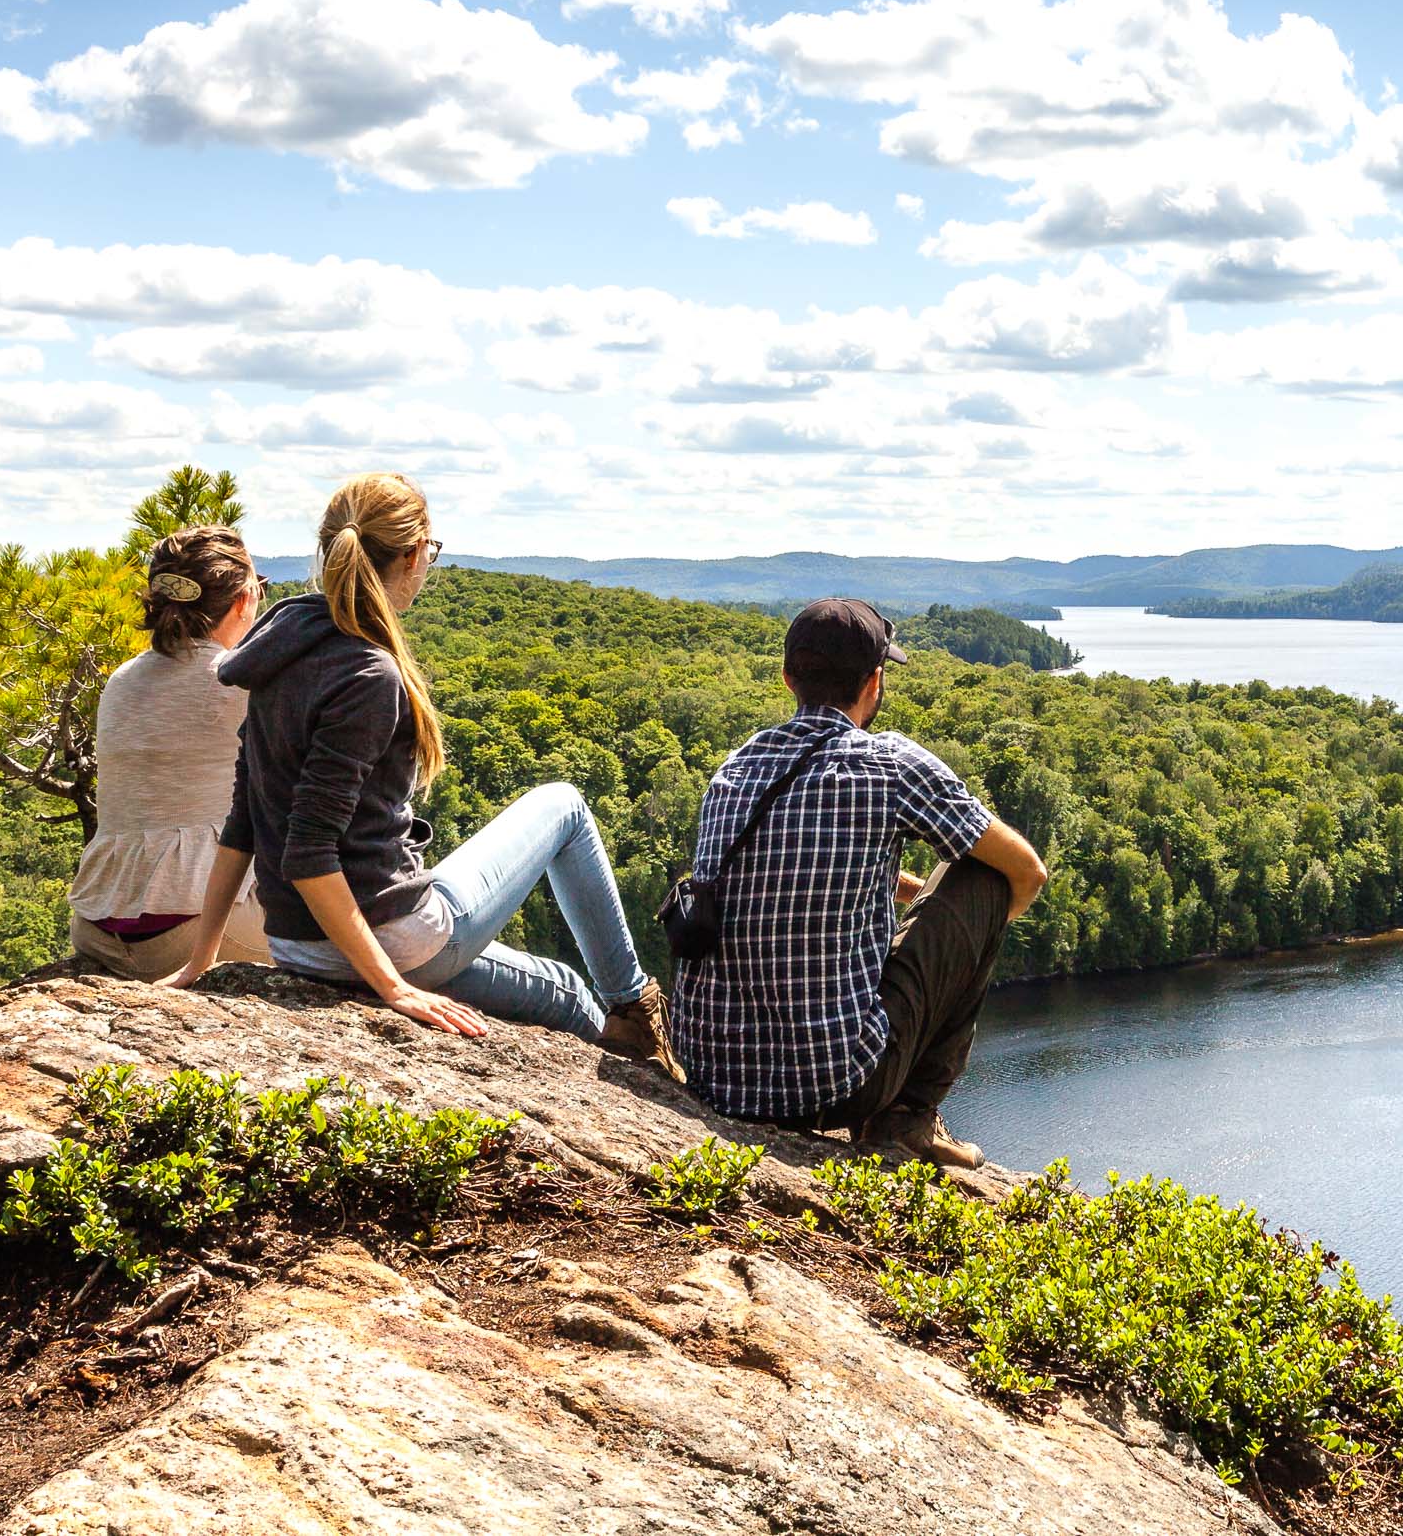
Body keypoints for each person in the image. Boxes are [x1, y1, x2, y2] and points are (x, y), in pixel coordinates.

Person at [163, 471, 675, 1076]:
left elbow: (245, 819)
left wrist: (201, 958)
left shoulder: (280, 650)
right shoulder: (368, 672)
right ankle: (635, 1013)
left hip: (296, 946)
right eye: (429, 552)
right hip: (392, 940)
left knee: (558, 980)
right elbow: (308, 851)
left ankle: (628, 1024)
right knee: (564, 811)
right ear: (411, 556)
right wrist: (393, 989)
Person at [671, 597, 1048, 1168]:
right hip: (835, 1088)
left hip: (713, 1078)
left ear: (788, 676)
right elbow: (1027, 872)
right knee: (984, 875)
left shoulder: (736, 766)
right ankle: (907, 1118)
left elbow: (803, 867)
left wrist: (911, 895)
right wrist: (962, 939)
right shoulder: (890, 764)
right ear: (874, 681)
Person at [67, 526, 275, 979]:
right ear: (242, 601)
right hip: (200, 928)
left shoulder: (122, 680)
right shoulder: (237, 680)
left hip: (95, 928)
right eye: (260, 589)